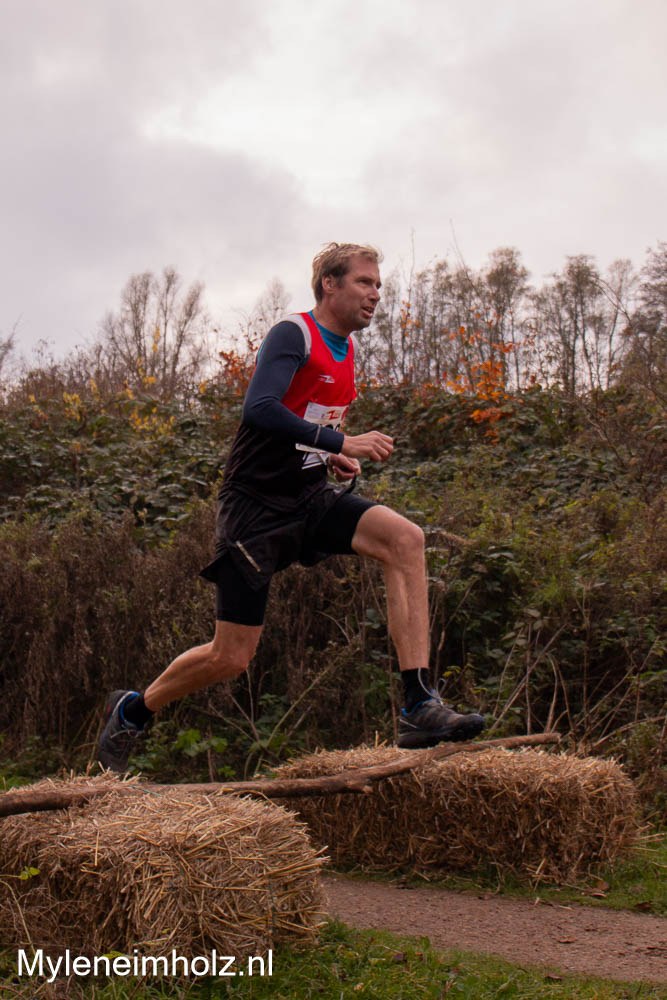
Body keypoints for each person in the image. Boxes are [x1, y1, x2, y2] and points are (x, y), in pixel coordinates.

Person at [98, 243, 485, 772]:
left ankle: (419, 705)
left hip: (308, 497)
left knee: (405, 539)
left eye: (378, 285)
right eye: (364, 282)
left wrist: (330, 456)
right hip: (253, 509)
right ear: (330, 284)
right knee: (230, 656)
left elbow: (305, 425)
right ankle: (134, 710)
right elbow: (259, 409)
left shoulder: (348, 352)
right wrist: (340, 441)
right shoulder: (293, 334)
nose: (375, 294)